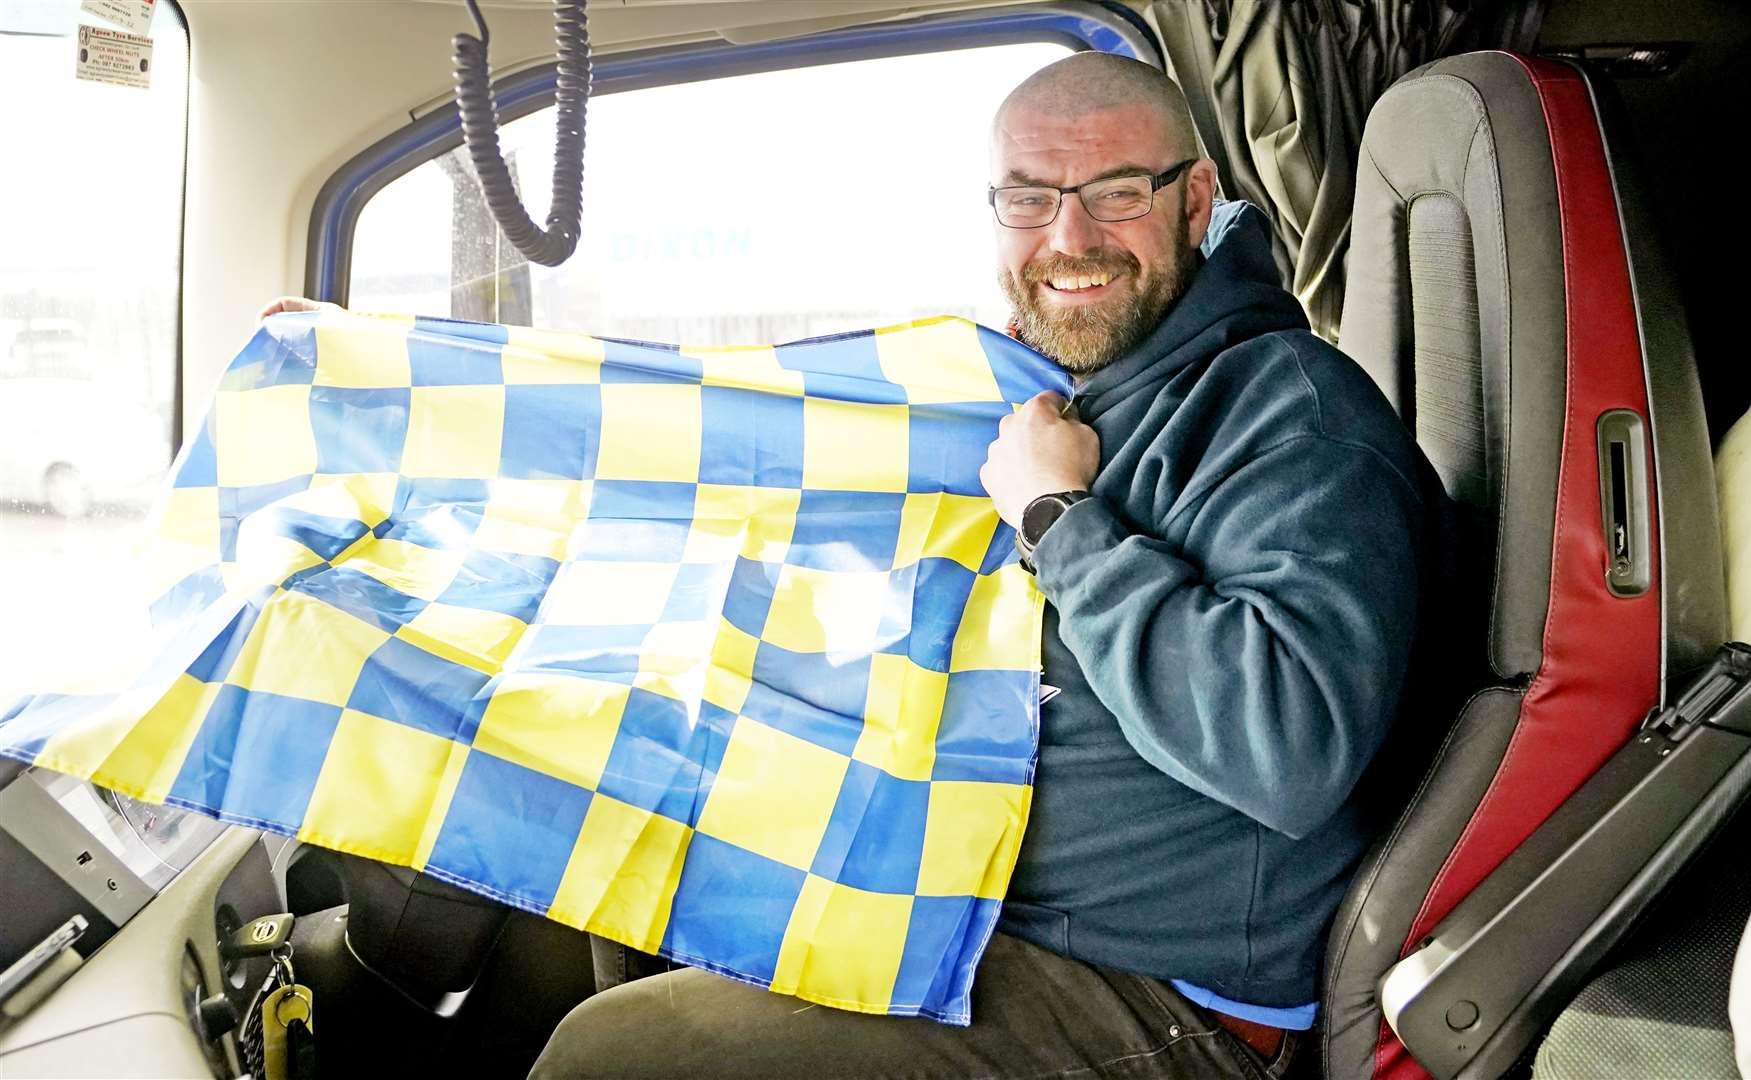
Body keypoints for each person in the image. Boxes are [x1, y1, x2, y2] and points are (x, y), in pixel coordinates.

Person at [525, 52, 1450, 1079]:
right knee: (584, 862)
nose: (1069, 237)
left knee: (614, 1057)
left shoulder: (1289, 418)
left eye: (1116, 192)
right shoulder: (1078, 386)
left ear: (1193, 202)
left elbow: (1284, 745)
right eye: (1030, 198)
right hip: (967, 882)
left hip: (1152, 982)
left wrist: (1061, 518)